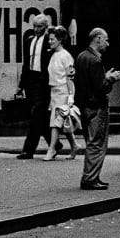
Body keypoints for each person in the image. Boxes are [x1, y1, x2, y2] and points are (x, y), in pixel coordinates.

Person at [74, 27, 120, 189]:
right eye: (106, 40)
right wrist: (111, 79)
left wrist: (104, 77)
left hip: (84, 106)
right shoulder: (95, 60)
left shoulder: (81, 56)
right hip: (96, 107)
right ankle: (90, 178)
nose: (107, 43)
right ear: (98, 38)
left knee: (92, 141)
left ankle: (93, 176)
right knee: (97, 143)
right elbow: (100, 87)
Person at [16, 13, 54, 159]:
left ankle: (28, 150)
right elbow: (26, 64)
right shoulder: (29, 40)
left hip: (42, 81)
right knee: (40, 117)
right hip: (30, 80)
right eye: (34, 26)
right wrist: (21, 85)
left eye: (39, 27)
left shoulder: (49, 41)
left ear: (45, 27)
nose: (36, 29)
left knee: (36, 115)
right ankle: (55, 144)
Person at [43, 26, 79, 161]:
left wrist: (71, 96)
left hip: (63, 92)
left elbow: (70, 78)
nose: (50, 42)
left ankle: (51, 149)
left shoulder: (66, 56)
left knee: (55, 122)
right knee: (63, 121)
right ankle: (74, 145)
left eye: (52, 39)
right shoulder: (54, 55)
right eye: (49, 39)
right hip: (54, 91)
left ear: (60, 40)